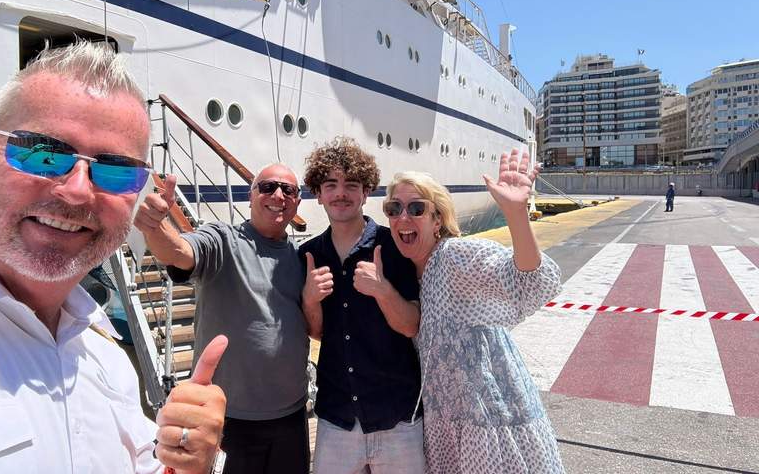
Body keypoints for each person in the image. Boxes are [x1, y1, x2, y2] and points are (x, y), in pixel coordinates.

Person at [0, 41, 227, 473]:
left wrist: (189, 465)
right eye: (42, 153)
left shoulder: (103, 354)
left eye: (116, 170)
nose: (78, 189)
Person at [383, 148, 564, 474]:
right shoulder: (410, 275)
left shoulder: (456, 257)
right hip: (446, 433)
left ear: (437, 218)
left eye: (416, 208)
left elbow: (530, 283)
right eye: (394, 208)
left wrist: (516, 215)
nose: (403, 217)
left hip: (492, 426)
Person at [136, 163, 311, 474]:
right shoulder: (223, 240)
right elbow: (180, 251)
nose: (279, 195)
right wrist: (155, 226)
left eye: (289, 190)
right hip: (228, 420)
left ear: (297, 202)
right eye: (268, 187)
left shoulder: (300, 258)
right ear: (251, 196)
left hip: (291, 417)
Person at [300, 138, 423, 473]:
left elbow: (412, 325)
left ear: (366, 192)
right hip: (337, 415)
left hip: (396, 414)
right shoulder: (309, 255)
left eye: (351, 185)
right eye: (331, 185)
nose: (341, 193)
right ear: (318, 192)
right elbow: (317, 332)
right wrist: (310, 300)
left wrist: (383, 291)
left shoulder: (393, 246)